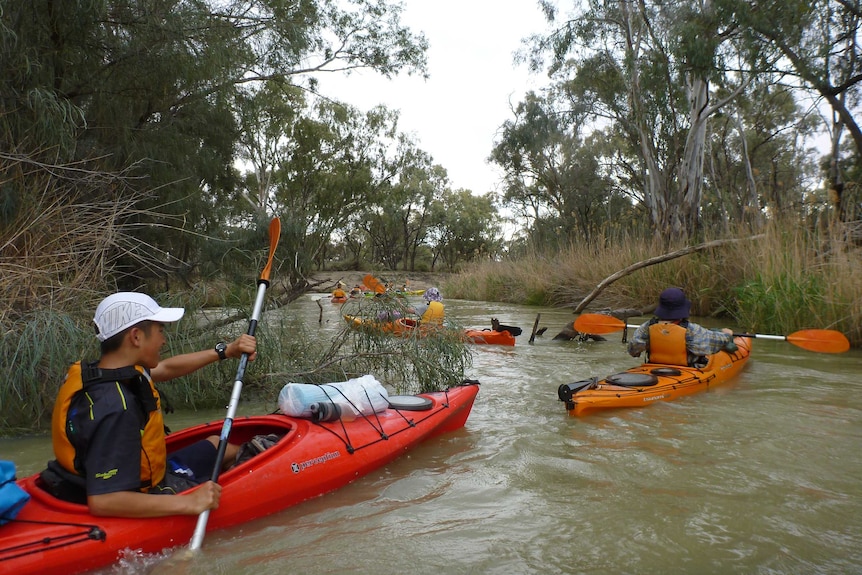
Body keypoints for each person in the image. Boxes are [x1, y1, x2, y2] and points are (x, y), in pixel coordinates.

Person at [45, 292, 257, 518]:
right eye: (160, 331)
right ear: (136, 337)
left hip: (108, 478)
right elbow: (104, 501)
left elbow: (165, 369)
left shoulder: (107, 371)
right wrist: (190, 503)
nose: (163, 340)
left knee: (216, 444)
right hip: (140, 494)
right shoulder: (116, 408)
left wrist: (226, 351)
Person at [627, 287, 736, 367]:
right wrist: (727, 334)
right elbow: (715, 344)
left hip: (654, 369)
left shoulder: (647, 327)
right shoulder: (692, 330)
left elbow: (633, 351)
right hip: (685, 372)